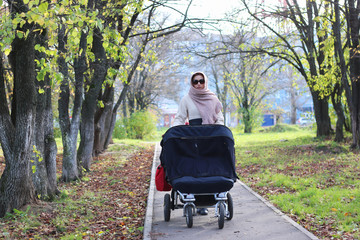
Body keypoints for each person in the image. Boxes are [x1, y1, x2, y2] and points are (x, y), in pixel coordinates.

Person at [172, 71, 224, 216]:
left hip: (211, 138)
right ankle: (192, 199)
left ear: (205, 81)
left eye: (201, 81)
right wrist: (173, 132)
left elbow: (219, 118)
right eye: (195, 81)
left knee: (208, 169)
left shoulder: (213, 99)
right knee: (194, 169)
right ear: (192, 83)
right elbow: (180, 118)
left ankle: (206, 202)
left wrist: (218, 131)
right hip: (193, 139)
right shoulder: (187, 99)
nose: (199, 84)